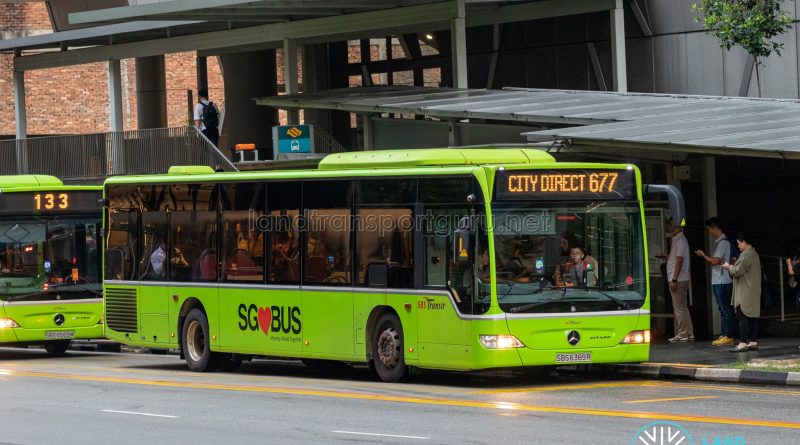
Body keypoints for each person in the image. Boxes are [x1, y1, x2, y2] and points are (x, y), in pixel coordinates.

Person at [694, 217, 734, 346]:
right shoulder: (720, 242)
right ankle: (725, 334)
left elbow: (715, 261)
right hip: (719, 280)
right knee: (722, 309)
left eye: (709, 229)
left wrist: (703, 255)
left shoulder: (723, 243)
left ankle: (728, 335)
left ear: (715, 228)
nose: (709, 232)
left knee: (725, 309)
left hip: (722, 281)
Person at [722, 232, 761, 352]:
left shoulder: (745, 255)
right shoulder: (754, 254)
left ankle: (743, 342)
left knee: (742, 315)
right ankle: (753, 341)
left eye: (739, 244)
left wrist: (728, 266)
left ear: (743, 242)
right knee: (753, 316)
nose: (738, 246)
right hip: (754, 290)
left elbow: (736, 271)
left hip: (744, 290)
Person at [665, 221, 694, 342]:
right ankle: (688, 333)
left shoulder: (680, 240)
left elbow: (679, 260)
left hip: (678, 278)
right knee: (682, 307)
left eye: (672, 225)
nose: (670, 228)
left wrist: (674, 279)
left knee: (679, 308)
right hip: (680, 278)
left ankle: (682, 333)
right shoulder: (678, 240)